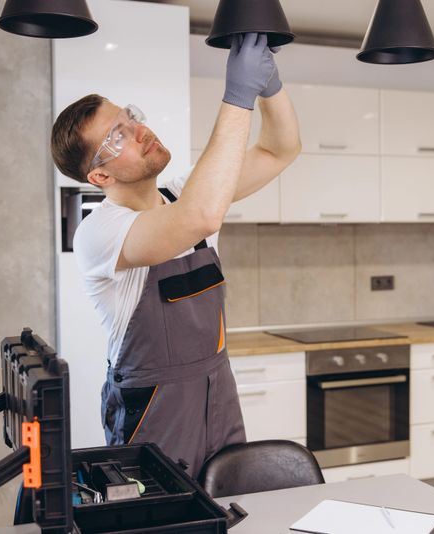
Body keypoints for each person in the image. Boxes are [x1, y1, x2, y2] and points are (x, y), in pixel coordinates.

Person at [50, 33, 301, 478]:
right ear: (100, 174)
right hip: (154, 409)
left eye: (130, 117)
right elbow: (200, 217)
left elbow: (279, 149)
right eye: (117, 136)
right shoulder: (100, 233)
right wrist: (238, 93)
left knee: (227, 508)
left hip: (218, 391)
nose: (140, 131)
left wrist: (270, 88)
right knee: (163, 521)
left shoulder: (183, 194)